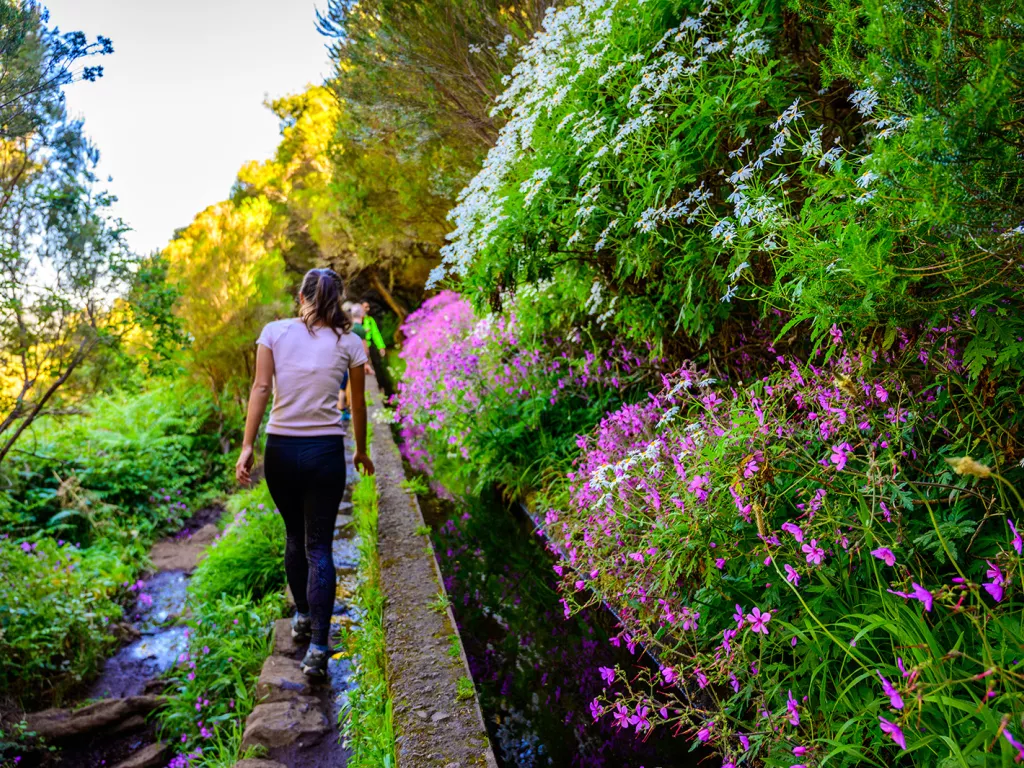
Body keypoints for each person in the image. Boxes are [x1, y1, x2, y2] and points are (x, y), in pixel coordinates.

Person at [236, 268, 375, 679]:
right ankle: (317, 649)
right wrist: (362, 451)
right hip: (325, 453)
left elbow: (260, 389)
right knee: (320, 548)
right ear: (338, 299)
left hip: (281, 450)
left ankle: (302, 615)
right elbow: (359, 404)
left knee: (294, 537)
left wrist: (247, 446)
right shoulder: (350, 342)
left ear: (301, 295)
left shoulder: (274, 332)